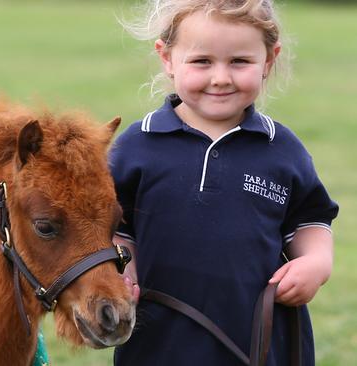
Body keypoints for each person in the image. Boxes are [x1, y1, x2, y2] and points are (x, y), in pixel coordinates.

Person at [110, 1, 339, 365]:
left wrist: (316, 263)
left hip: (257, 342)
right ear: (167, 58)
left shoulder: (281, 149)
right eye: (202, 62)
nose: (220, 77)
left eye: (239, 62)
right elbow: (115, 228)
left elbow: (310, 221)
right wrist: (121, 266)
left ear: (268, 60)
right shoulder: (136, 146)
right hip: (159, 342)